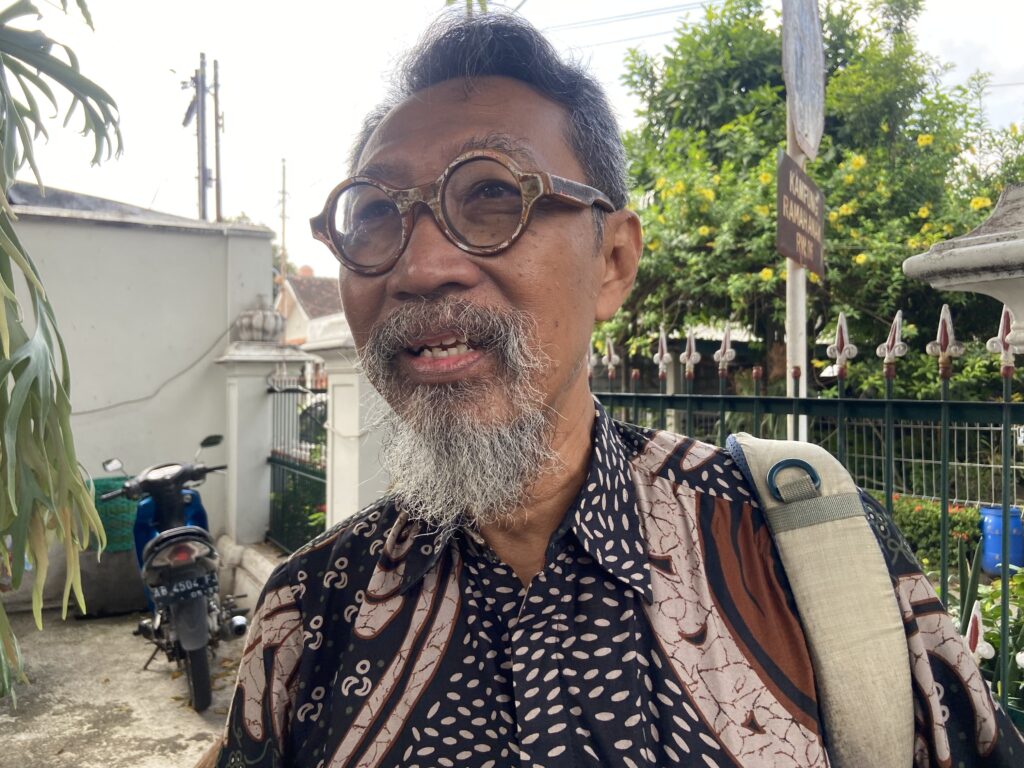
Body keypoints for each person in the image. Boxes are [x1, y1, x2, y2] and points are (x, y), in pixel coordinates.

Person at [211, 12, 1023, 768]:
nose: (421, 267)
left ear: (613, 262)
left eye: (493, 194)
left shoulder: (802, 557)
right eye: (376, 214)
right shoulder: (306, 617)